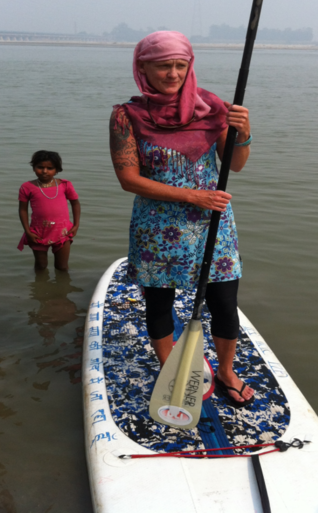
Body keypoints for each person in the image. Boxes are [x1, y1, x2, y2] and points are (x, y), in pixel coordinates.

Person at [109, 31, 255, 408]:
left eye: (180, 65)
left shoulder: (212, 109)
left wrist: (244, 133)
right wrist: (193, 195)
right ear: (143, 68)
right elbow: (129, 179)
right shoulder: (126, 116)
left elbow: (234, 166)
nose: (172, 73)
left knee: (224, 300)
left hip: (213, 224)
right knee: (159, 301)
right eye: (163, 65)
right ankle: (168, 367)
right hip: (157, 227)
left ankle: (225, 371)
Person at [18, 150, 81, 272]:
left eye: (50, 168)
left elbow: (75, 204)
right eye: (40, 167)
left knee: (62, 267)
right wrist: (27, 231)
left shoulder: (65, 185)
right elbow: (22, 210)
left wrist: (76, 225)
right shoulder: (27, 187)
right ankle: (39, 289)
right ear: (34, 168)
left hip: (63, 231)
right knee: (41, 266)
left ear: (57, 170)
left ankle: (62, 290)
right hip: (38, 232)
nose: (45, 171)